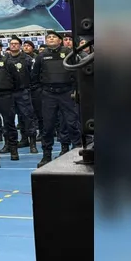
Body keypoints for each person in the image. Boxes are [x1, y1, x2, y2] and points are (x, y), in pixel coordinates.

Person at [31, 30, 81, 168]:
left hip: (67, 93)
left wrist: (76, 91)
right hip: (49, 94)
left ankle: (76, 152)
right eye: (49, 37)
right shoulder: (41, 56)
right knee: (48, 126)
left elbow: (77, 73)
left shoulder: (70, 53)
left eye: (54, 37)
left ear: (60, 40)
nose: (51, 39)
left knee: (72, 123)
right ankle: (46, 155)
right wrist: (41, 92)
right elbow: (34, 77)